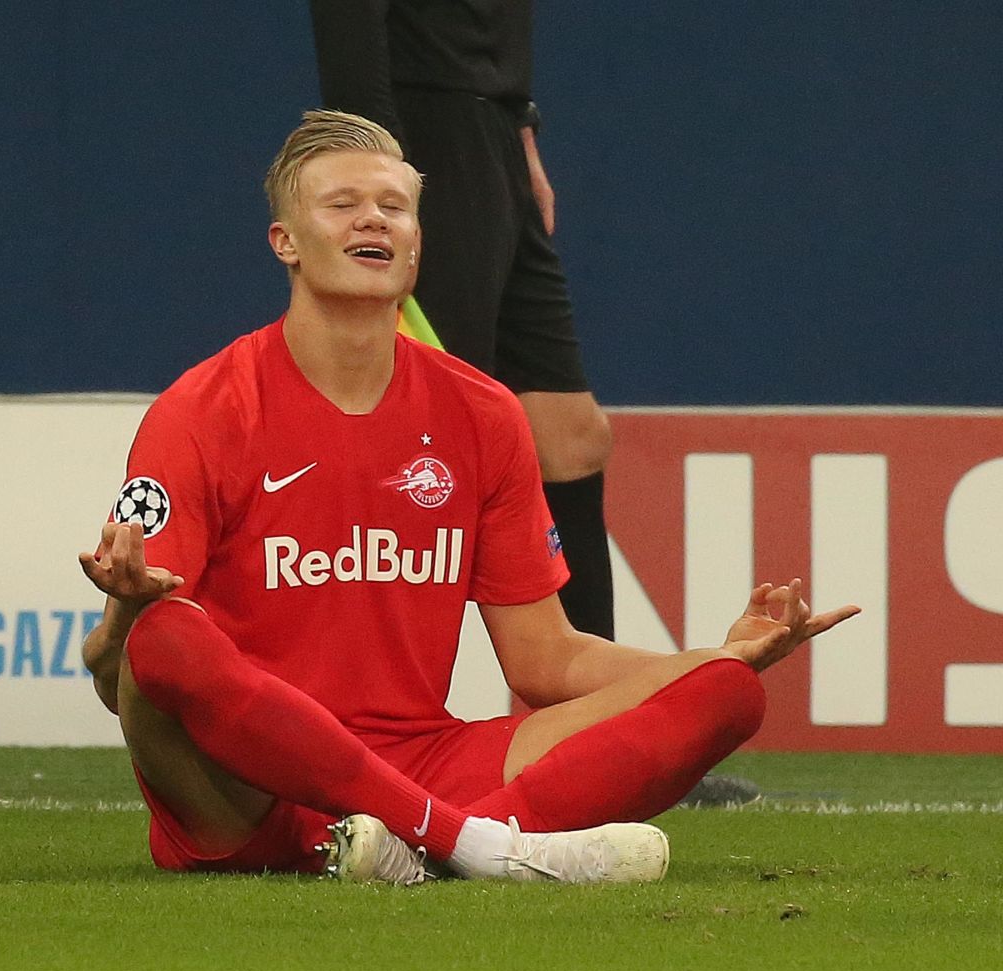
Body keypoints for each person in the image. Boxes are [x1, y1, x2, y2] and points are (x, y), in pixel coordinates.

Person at [78, 111, 858, 885]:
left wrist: (715, 659)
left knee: (727, 695)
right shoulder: (206, 406)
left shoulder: (482, 413)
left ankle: (405, 846)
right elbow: (120, 680)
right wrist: (121, 613)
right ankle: (481, 848)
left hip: (425, 758)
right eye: (342, 203)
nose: (372, 218)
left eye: (393, 205)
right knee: (164, 638)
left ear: (415, 244)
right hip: (247, 792)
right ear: (285, 241)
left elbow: (546, 658)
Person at [309, 0, 615, 641]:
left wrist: (520, 130)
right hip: (420, 139)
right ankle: (350, 700)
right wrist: (378, 176)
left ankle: (599, 721)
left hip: (493, 134)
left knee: (571, 437)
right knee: (414, 442)